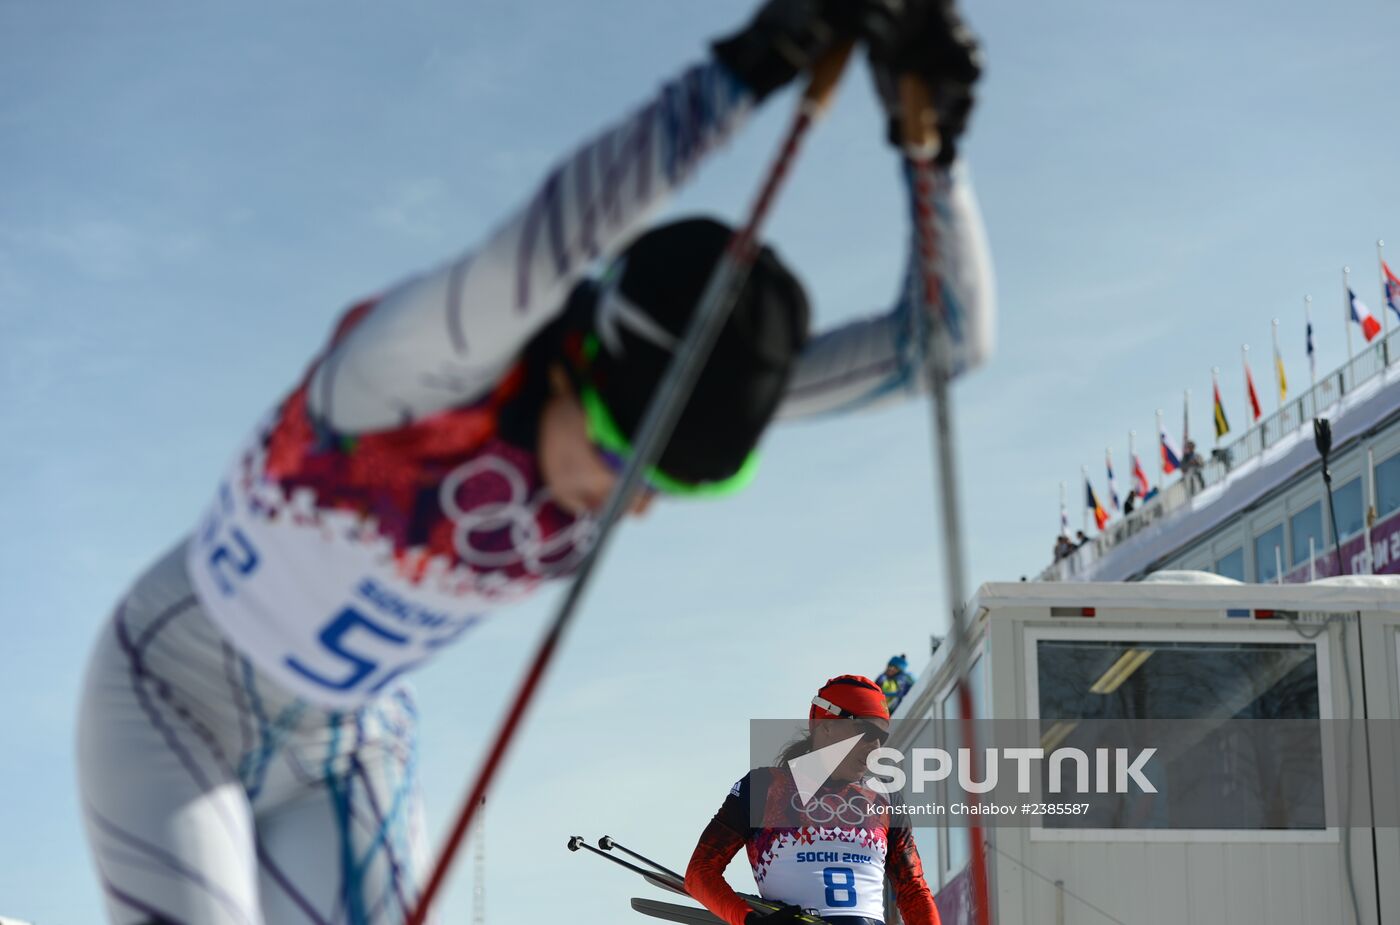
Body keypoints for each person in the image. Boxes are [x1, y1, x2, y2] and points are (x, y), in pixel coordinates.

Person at [75, 3, 988, 923]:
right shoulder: (416, 369)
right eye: (616, 458)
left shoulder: (667, 410)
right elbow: (562, 228)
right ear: (578, 360)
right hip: (177, 696)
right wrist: (754, 64)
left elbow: (938, 345)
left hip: (348, 744)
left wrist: (935, 144)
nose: (623, 503)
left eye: (658, 486)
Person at [686, 676, 941, 925]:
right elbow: (700, 872)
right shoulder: (765, 787)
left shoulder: (884, 798)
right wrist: (748, 919)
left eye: (881, 738)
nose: (875, 746)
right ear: (825, 725)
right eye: (865, 731)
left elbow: (913, 891)